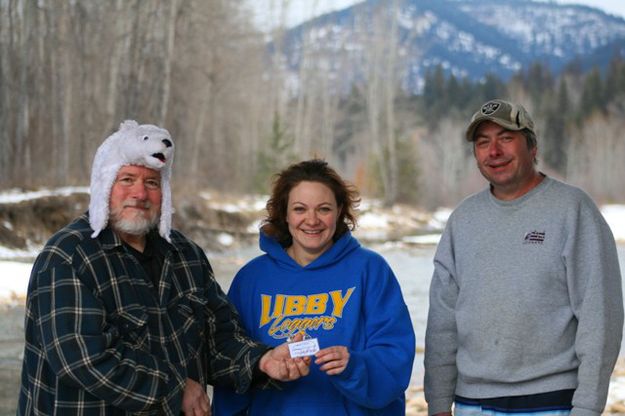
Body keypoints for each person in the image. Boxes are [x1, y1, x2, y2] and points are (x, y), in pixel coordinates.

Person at [17, 120, 309, 416]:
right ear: (104, 185)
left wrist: (263, 361)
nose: (140, 194)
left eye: (152, 183)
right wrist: (174, 388)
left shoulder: (186, 256)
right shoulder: (69, 255)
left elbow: (217, 340)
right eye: (127, 179)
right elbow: (81, 358)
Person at [424, 99, 624, 416]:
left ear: (532, 146)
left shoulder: (573, 210)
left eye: (506, 138)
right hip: (470, 404)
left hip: (553, 401)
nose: (494, 151)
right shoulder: (462, 220)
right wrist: (437, 402)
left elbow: (601, 317)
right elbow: (442, 322)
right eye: (483, 142)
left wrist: (587, 406)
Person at [212, 159, 416, 415]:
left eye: (323, 209)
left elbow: (396, 358)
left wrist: (354, 365)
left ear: (340, 211)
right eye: (299, 209)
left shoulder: (370, 270)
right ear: (284, 213)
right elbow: (232, 361)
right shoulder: (251, 278)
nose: (312, 220)